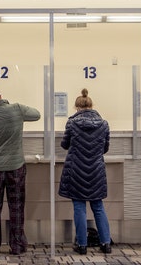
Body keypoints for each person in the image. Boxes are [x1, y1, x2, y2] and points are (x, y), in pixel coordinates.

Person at [0, 87, 40, 255]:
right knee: (17, 207)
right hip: (16, 167)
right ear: (1, 97)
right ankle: (17, 246)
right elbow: (37, 114)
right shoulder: (17, 108)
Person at [58, 88, 112, 255]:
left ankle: (82, 245)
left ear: (77, 107)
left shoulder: (72, 123)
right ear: (91, 105)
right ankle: (106, 243)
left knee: (79, 207)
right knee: (98, 206)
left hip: (76, 170)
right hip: (96, 170)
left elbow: (65, 145)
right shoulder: (103, 124)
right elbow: (105, 148)